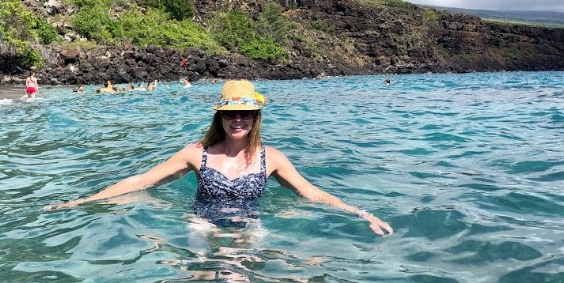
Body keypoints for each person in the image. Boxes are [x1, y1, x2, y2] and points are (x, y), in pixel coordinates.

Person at [45, 80, 393, 236]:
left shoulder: (272, 158)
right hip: (201, 222)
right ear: (220, 118)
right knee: (193, 277)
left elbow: (311, 193)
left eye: (245, 115)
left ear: (256, 119)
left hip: (250, 224)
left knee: (272, 279)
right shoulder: (195, 154)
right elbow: (142, 181)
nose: (237, 120)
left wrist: (362, 213)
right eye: (230, 114)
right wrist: (81, 203)